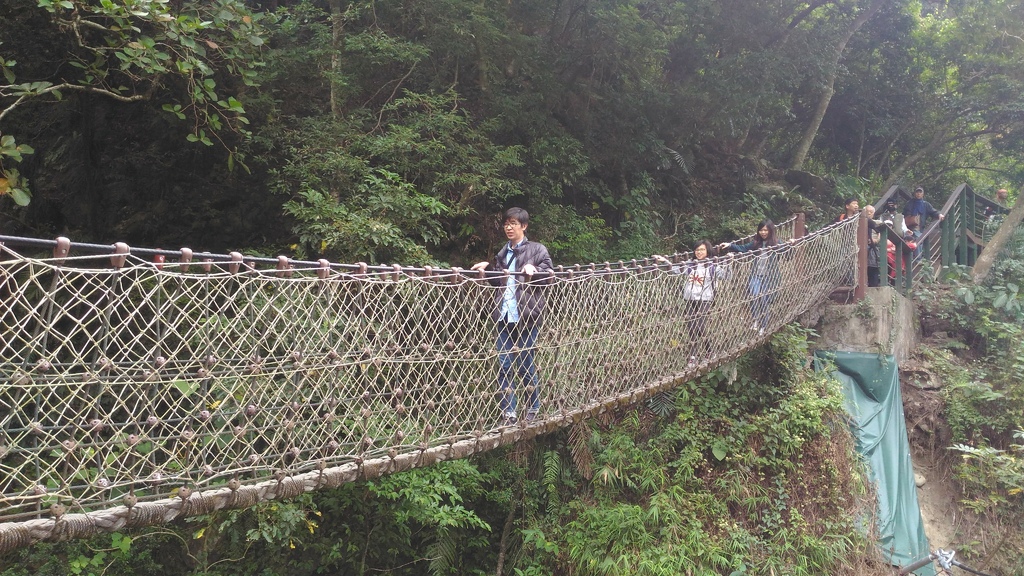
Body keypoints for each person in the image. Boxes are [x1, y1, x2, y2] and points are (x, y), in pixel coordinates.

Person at [471, 207, 553, 427]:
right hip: (504, 315)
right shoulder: (502, 253)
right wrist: (488, 269)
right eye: (506, 223)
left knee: (526, 364)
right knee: (504, 364)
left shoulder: (537, 250)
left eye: (513, 223)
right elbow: (499, 282)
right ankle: (509, 413)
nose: (508, 227)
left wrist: (533, 269)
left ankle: (533, 408)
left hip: (527, 316)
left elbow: (548, 277)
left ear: (524, 226)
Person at [654, 240, 732, 366]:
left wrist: (729, 263)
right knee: (691, 328)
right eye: (697, 250)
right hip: (690, 299)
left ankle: (707, 352)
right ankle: (694, 355)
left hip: (705, 299)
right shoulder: (690, 264)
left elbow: (727, 277)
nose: (699, 252)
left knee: (700, 326)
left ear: (707, 251)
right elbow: (675, 270)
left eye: (702, 250)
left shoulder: (712, 265)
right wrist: (664, 261)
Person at [719, 220, 789, 336]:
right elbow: (743, 248)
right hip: (756, 275)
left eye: (765, 230)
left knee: (764, 301)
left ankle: (763, 326)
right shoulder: (756, 243)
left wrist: (790, 245)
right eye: (761, 230)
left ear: (771, 230)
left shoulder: (777, 243)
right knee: (754, 296)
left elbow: (788, 254)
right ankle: (756, 320)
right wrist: (730, 245)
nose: (763, 232)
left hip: (770, 278)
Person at [864, 205, 884, 287]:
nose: (869, 213)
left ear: (874, 213)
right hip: (861, 245)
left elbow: (881, 232)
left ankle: (874, 285)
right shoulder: (859, 221)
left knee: (873, 265)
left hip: (873, 247)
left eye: (871, 212)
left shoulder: (877, 223)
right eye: (867, 211)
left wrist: (876, 240)